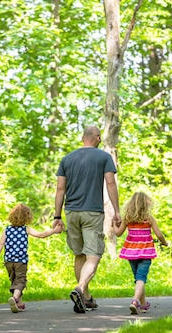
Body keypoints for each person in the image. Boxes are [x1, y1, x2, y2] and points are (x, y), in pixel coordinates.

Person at [53, 126, 122, 314]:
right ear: (98, 138)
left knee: (79, 255)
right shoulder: (103, 157)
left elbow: (60, 189)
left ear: (82, 138)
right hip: (92, 212)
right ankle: (80, 287)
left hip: (71, 212)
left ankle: (86, 298)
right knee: (93, 255)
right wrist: (117, 211)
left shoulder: (67, 159)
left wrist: (57, 216)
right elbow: (110, 183)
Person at [0, 203, 62, 313]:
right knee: (21, 281)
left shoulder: (7, 229)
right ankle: (14, 299)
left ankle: (19, 304)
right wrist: (54, 230)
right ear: (27, 217)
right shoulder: (26, 229)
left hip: (8, 261)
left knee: (15, 280)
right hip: (20, 261)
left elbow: (0, 244)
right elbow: (41, 235)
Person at [114, 192, 168, 314]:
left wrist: (113, 225)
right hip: (145, 252)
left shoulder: (128, 218)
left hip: (131, 253)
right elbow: (159, 234)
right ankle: (135, 301)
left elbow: (118, 233)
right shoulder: (149, 218)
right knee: (141, 278)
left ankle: (143, 304)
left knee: (138, 278)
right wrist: (164, 242)